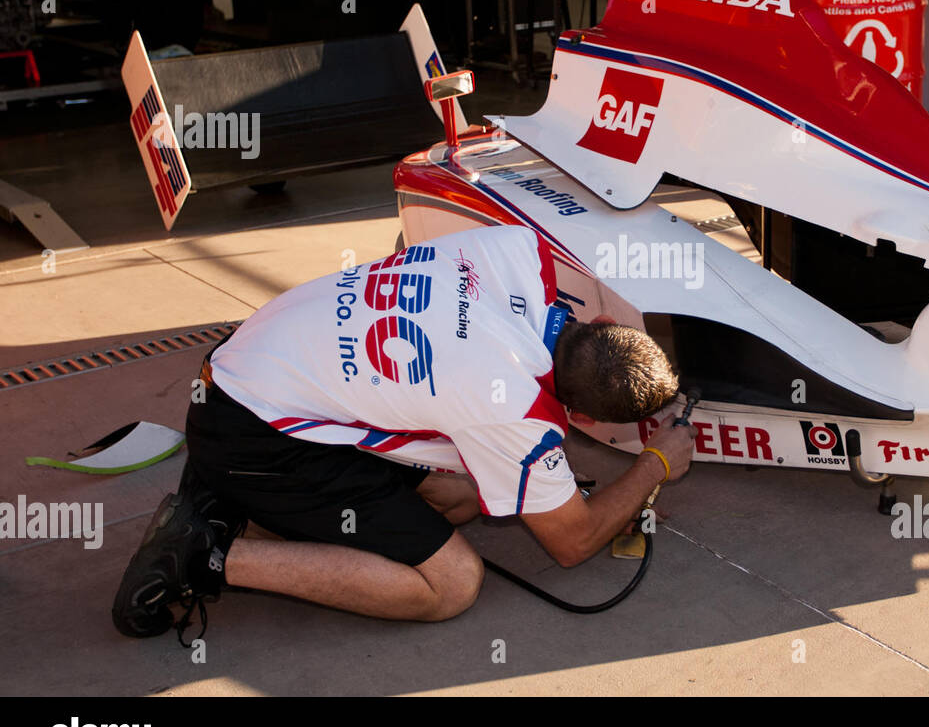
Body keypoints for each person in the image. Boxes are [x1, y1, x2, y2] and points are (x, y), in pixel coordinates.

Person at [113, 224, 697, 638]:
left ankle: (234, 501)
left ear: (599, 321)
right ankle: (202, 553)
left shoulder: (515, 249)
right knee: (451, 583)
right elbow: (571, 544)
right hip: (255, 435)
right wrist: (656, 463)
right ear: (586, 419)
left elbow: (479, 392)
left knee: (466, 497)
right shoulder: (514, 412)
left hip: (245, 366)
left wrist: (565, 488)